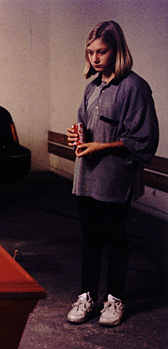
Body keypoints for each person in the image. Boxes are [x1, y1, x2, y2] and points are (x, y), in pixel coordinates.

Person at [65, 21, 159, 327]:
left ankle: (114, 300)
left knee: (115, 240)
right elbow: (84, 128)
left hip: (115, 179)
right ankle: (87, 297)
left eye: (101, 51)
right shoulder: (91, 88)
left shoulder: (134, 87)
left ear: (117, 50)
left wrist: (103, 147)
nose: (94, 58)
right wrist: (76, 139)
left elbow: (143, 139)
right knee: (90, 239)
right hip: (86, 178)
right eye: (90, 52)